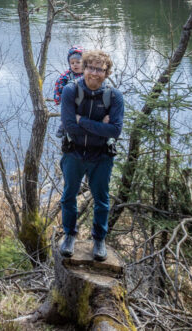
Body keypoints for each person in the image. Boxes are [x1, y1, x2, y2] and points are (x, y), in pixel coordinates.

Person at [57, 49, 124, 262]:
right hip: (74, 152)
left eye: (100, 69)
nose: (94, 73)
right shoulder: (71, 91)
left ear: (107, 73)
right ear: (84, 68)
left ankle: (99, 240)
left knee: (102, 200)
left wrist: (82, 121)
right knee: (69, 196)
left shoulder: (113, 96)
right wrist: (99, 126)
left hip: (101, 155)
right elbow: (69, 126)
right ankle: (69, 235)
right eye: (90, 68)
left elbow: (115, 130)